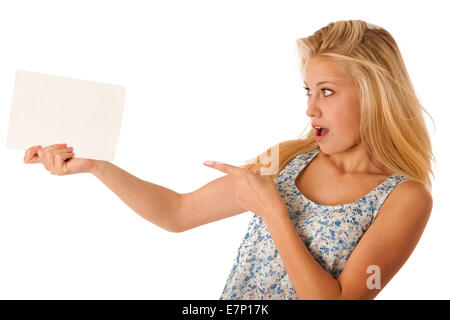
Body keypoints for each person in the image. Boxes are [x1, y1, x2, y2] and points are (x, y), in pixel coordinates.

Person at [23, 19, 435, 300]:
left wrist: (274, 212)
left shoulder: (405, 198)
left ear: (374, 94)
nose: (310, 108)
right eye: (306, 91)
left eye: (326, 91)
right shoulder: (287, 158)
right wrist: (96, 165)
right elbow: (178, 212)